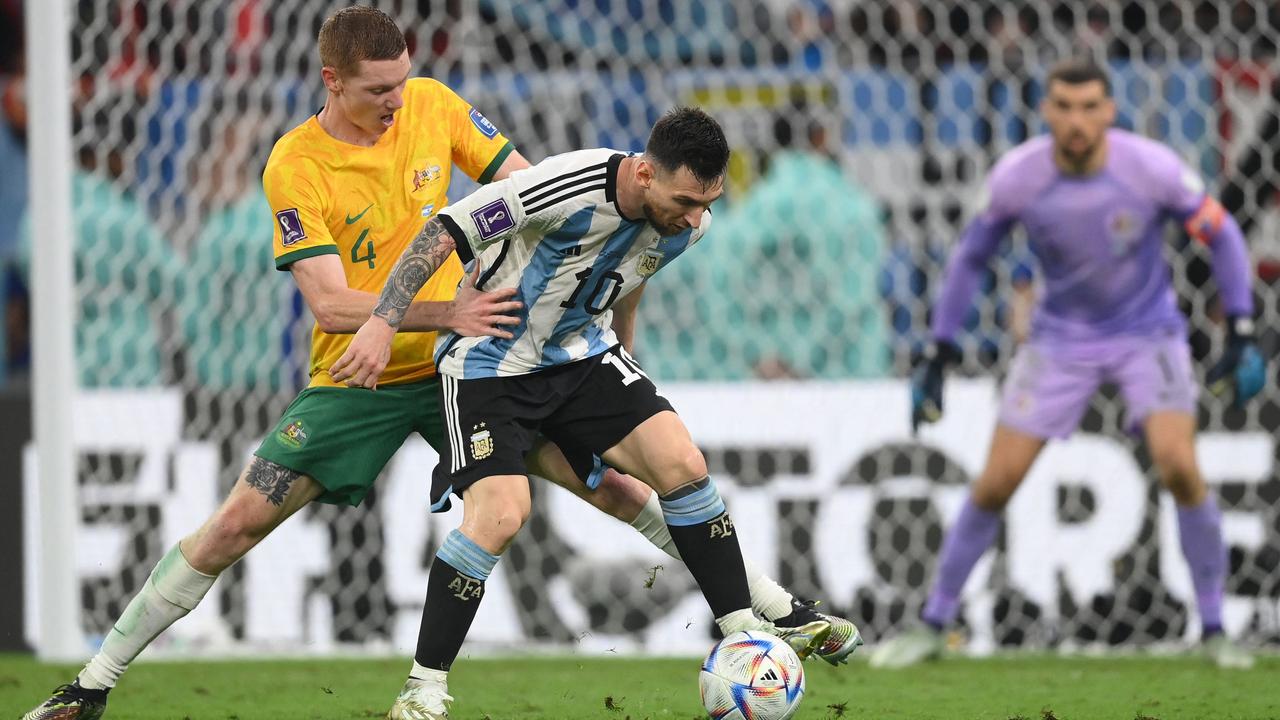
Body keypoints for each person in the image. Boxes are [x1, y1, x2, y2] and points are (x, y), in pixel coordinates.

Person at [22, 9, 857, 720]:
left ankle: (778, 615)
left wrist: (566, 299)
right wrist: (437, 310)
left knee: (626, 486)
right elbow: (330, 303)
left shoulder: (433, 106)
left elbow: (539, 197)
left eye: (403, 83)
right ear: (331, 81)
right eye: (378, 89)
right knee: (240, 520)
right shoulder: (295, 164)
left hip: (489, 359)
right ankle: (93, 684)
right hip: (374, 372)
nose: (398, 102)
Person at [332, 106, 847, 719]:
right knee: (501, 515)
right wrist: (383, 323)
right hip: (490, 364)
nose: (695, 216)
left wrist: (625, 347)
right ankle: (423, 691)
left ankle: (743, 631)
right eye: (686, 199)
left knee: (680, 458)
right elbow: (445, 227)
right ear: (645, 173)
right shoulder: (566, 184)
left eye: (707, 202)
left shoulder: (687, 220)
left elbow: (637, 267)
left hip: (580, 357)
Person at [870, 58, 1263, 671]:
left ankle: (1214, 630)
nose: (1076, 121)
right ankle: (932, 624)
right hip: (1058, 342)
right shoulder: (1018, 178)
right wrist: (938, 348)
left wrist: (1240, 328)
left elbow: (1224, 234)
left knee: (1181, 467)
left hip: (1147, 335)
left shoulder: (1151, 167)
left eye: (1089, 108)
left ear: (1109, 111)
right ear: (1047, 111)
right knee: (996, 481)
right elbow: (972, 257)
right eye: (1064, 107)